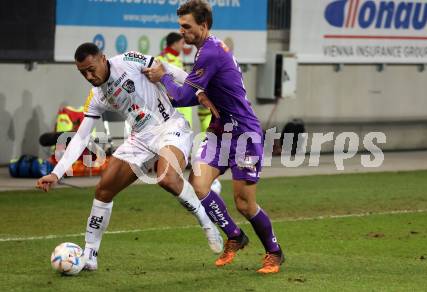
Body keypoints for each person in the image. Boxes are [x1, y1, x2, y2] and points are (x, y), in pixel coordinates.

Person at [35, 42, 223, 271]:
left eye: (92, 68)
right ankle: (90, 255)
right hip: (140, 138)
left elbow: (167, 69)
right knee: (104, 189)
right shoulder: (96, 96)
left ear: (103, 59)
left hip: (170, 127)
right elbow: (81, 137)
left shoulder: (128, 61)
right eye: (83, 72)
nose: (89, 75)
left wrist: (201, 90)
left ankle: (205, 221)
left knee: (166, 177)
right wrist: (56, 173)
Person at [145, 0, 284, 274]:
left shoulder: (210, 52)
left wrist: (163, 77)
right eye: (180, 26)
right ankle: (235, 236)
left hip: (244, 133)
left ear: (203, 25)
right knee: (199, 184)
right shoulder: (208, 49)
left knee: (245, 204)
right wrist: (199, 92)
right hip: (221, 131)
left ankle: (274, 252)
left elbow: (182, 96)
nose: (182, 31)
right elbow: (202, 89)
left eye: (187, 26)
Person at [157, 31, 221, 192]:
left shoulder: (176, 58)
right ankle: (173, 166)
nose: (183, 45)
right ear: (173, 44)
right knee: (173, 137)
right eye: (180, 42)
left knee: (187, 136)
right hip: (174, 106)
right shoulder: (163, 59)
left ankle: (183, 164)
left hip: (183, 104)